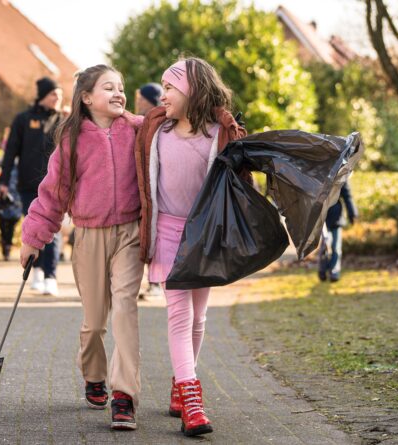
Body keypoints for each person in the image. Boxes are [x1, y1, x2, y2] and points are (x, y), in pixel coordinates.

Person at [19, 65, 144, 431]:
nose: (119, 93)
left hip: (130, 233)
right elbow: (53, 194)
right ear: (87, 97)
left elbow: (172, 118)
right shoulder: (72, 140)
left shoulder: (137, 130)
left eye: (121, 87)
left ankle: (124, 396)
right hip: (89, 235)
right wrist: (32, 239)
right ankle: (93, 374)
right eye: (109, 88)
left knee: (125, 307)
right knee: (95, 321)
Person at [135, 58, 248, 437]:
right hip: (167, 232)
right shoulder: (157, 130)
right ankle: (192, 398)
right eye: (163, 88)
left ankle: (179, 386)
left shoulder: (220, 133)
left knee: (199, 319)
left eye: (170, 88)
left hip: (204, 236)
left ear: (193, 91)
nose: (162, 95)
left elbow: (240, 182)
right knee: (180, 317)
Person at [0, 77, 65, 296]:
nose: (58, 99)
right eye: (53, 94)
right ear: (42, 96)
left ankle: (50, 276)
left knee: (53, 232)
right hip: (28, 186)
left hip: (55, 187)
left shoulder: (64, 121)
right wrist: (3, 181)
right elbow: (10, 153)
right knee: (33, 228)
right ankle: (35, 271)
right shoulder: (23, 119)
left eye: (60, 95)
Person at [133, 82, 165, 300]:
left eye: (140, 97)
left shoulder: (159, 124)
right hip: (138, 187)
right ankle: (152, 282)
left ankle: (156, 283)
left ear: (147, 100)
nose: (137, 101)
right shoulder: (135, 123)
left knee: (155, 234)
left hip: (156, 189)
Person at [318, 181, 357, 283]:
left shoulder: (341, 175)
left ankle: (334, 271)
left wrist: (352, 213)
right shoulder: (319, 173)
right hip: (322, 217)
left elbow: (347, 195)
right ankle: (323, 269)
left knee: (336, 247)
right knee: (325, 244)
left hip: (336, 217)